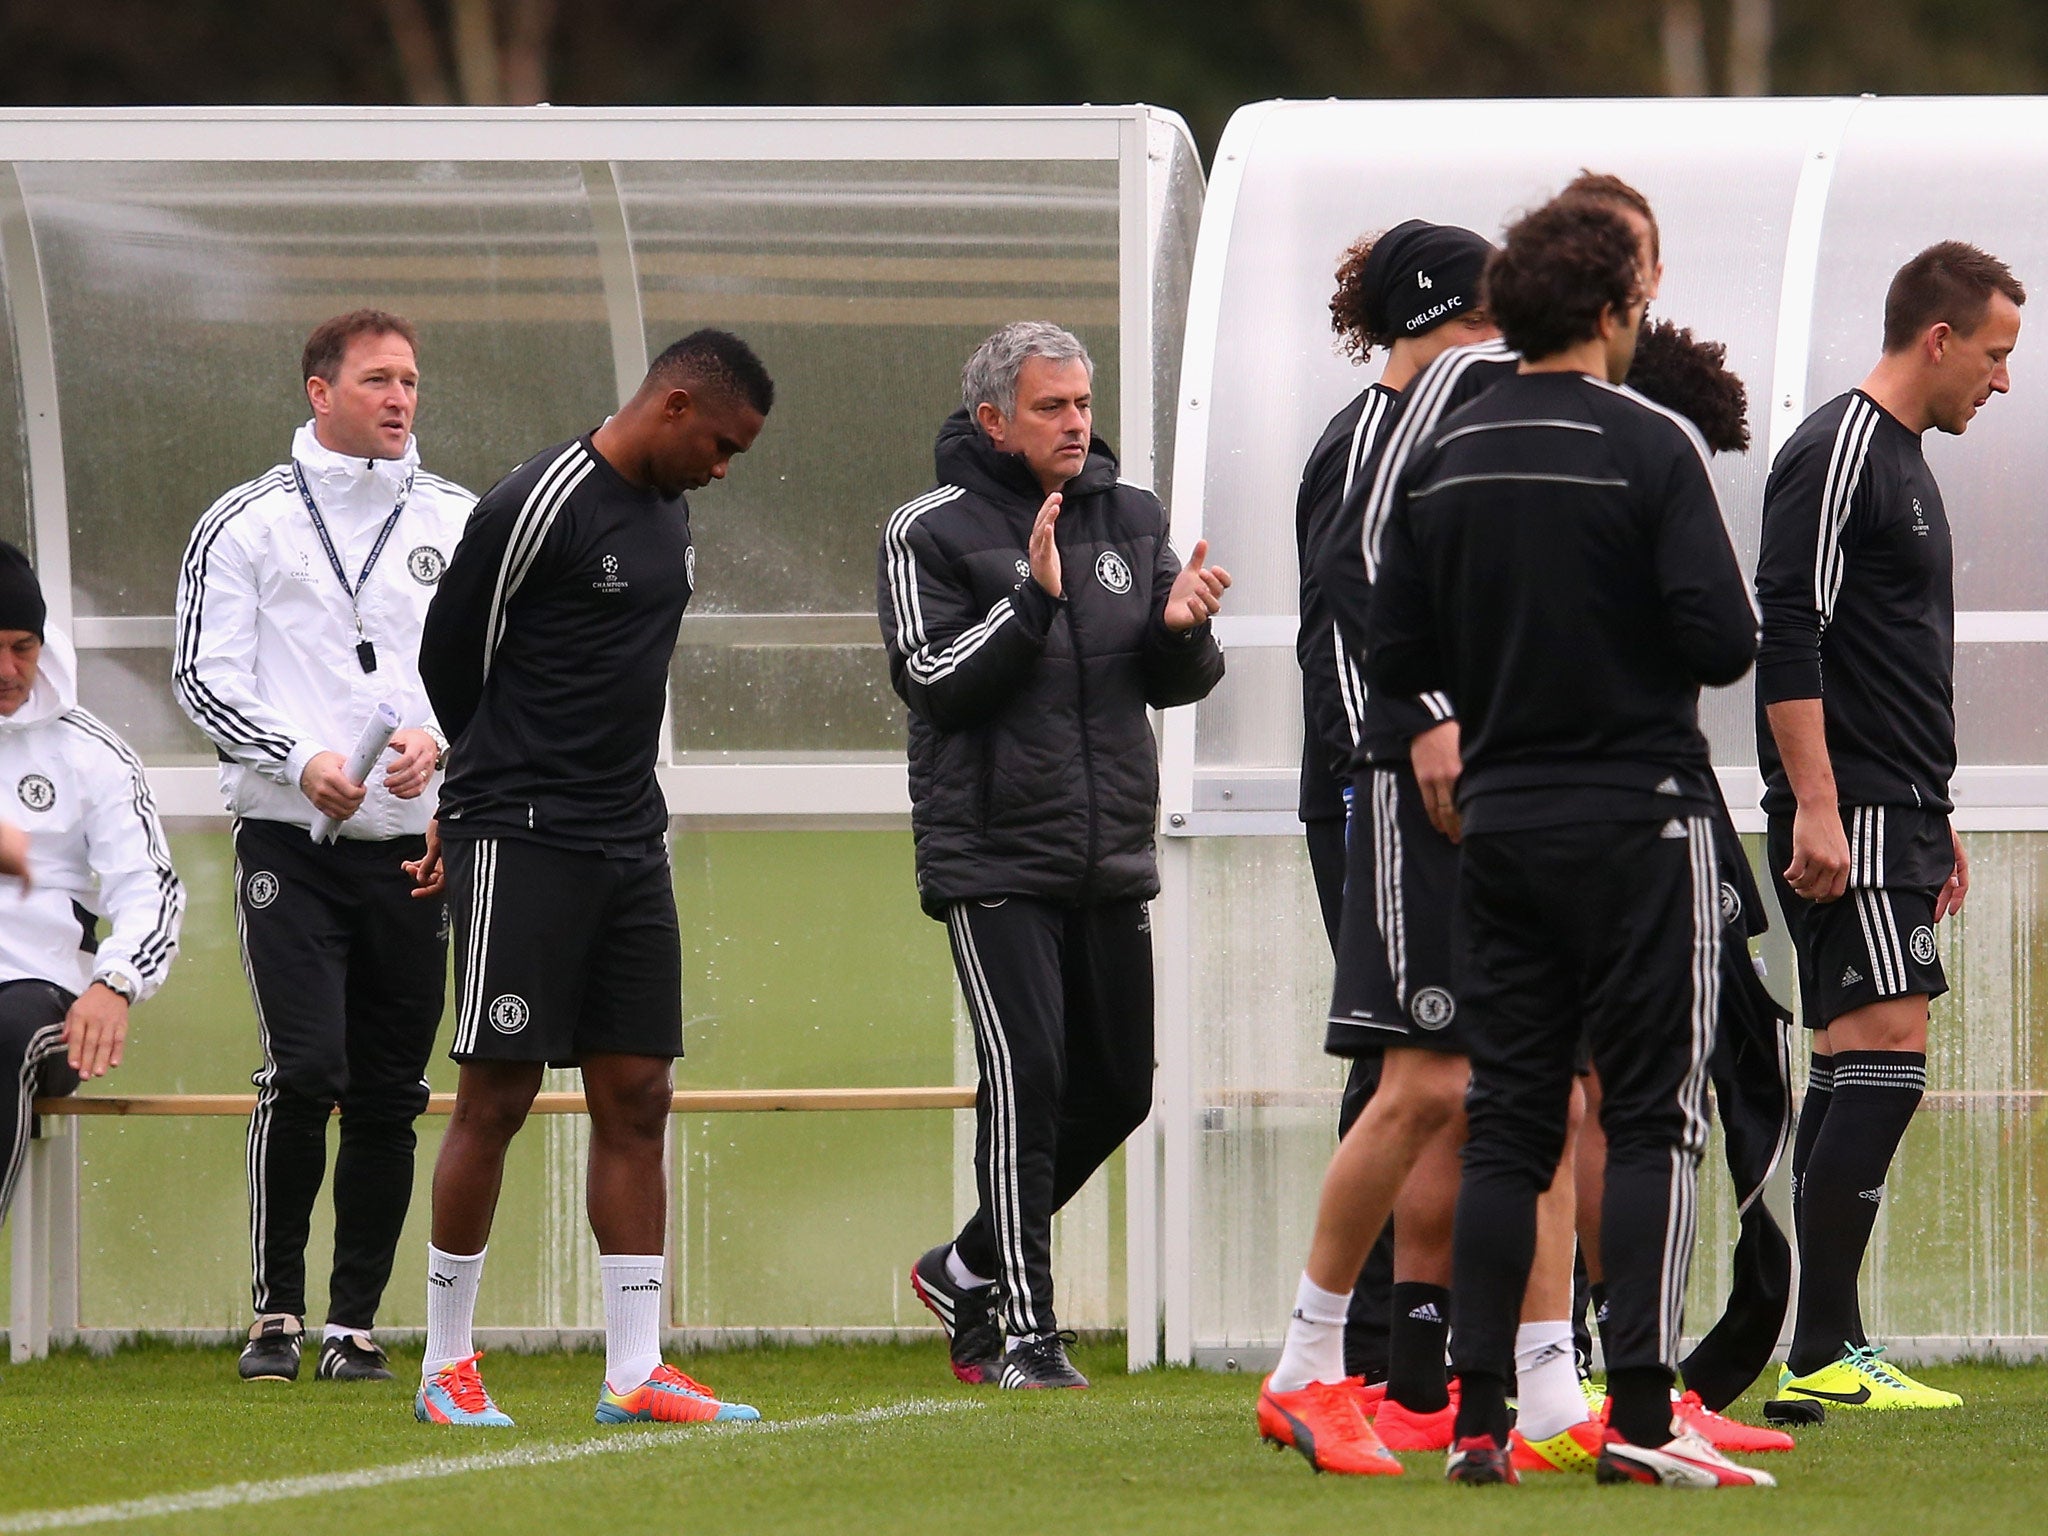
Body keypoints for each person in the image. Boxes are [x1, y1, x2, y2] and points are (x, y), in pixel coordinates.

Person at [1366, 195, 1769, 1488]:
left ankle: (1480, 1423)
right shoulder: (1652, 445)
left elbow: (1396, 655)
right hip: (1640, 821)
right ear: (1611, 314)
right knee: (1650, 1117)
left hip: (1501, 828)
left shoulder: (1443, 455)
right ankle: (1642, 1417)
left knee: (1512, 1124)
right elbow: (1722, 639)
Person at [408, 328, 773, 1429]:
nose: (722, 466)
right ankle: (443, 1364)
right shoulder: (537, 499)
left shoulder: (673, 510)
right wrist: (478, 802)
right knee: (499, 1095)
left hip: (628, 840)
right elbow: (447, 659)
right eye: (718, 443)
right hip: (521, 836)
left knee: (639, 1096)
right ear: (669, 406)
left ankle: (634, 1369)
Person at [886, 320, 1227, 1391]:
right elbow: (932, 677)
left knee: (1118, 1089)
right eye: (1050, 407)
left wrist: (1178, 628)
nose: (1076, 423)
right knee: (1025, 1081)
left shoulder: (1130, 514)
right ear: (993, 420)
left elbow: (1172, 681)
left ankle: (965, 1267)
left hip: (1106, 851)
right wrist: (1030, 600)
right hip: (991, 856)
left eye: (1081, 404)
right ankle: (1027, 1333)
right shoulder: (928, 530)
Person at [173, 310, 473, 1384]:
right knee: (305, 1068)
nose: (401, 398)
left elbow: (500, 669)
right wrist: (301, 759)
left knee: (392, 1086)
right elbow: (204, 677)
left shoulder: (458, 516)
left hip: (411, 845)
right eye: (379, 379)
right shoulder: (245, 521)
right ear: (319, 390)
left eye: (411, 380)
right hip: (288, 837)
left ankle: (354, 1324)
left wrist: (441, 750)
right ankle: (275, 1314)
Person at [1755, 241, 2022, 1414]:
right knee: (1886, 1059)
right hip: (1849, 810)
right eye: (1996, 354)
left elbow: (1893, 660)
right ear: (1936, 338)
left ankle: (1819, 1346)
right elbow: (1787, 635)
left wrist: (1938, 812)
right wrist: (1818, 807)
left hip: (1897, 808)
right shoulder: (1835, 450)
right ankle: (1817, 1345)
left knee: (1853, 1064)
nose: (2002, 381)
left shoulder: (1905, 460)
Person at [1293, 224, 1494, 1385]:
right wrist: (1404, 737)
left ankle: (1443, 1339)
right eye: (1480, 320)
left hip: (1443, 785)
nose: (1496, 345)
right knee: (1398, 1061)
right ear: (1430, 322)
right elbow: (1352, 620)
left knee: (1447, 1062)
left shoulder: (1449, 431)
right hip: (1371, 787)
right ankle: (1361, 1348)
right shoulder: (1363, 438)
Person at [0, 544, 184, 1225]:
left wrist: (116, 982)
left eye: (23, 647)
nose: (7, 670)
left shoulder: (90, 752)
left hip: (36, 996)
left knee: (5, 1033)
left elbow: (149, 887)